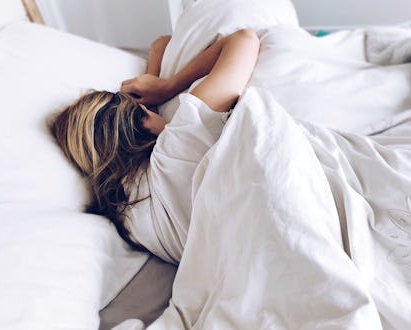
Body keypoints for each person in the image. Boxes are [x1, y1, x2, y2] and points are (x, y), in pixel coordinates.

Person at [50, 29, 260, 263]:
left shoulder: (125, 213)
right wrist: (167, 87)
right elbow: (244, 40)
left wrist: (146, 100)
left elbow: (160, 43)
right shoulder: (180, 141)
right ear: (143, 122)